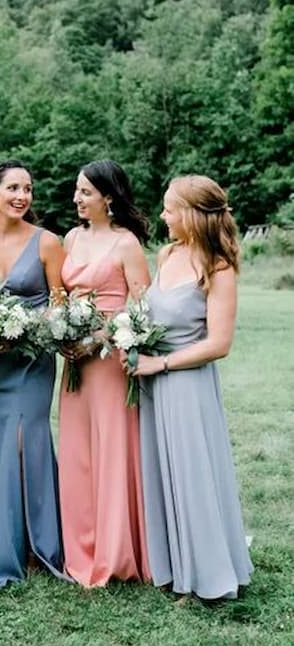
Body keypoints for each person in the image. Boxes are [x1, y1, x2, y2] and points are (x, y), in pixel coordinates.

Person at [126, 175, 253, 599]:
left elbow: (219, 344)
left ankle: (208, 574)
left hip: (186, 384)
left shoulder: (218, 266)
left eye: (169, 209)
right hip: (153, 385)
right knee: (163, 474)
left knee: (193, 475)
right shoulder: (167, 254)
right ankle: (175, 566)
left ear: (192, 215)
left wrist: (159, 363)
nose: (162, 215)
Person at [58, 159, 152, 586]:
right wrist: (61, 331)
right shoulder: (71, 237)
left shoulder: (126, 244)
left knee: (112, 449)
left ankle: (115, 552)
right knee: (78, 454)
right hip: (74, 360)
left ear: (108, 198)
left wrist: (105, 335)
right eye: (77, 191)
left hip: (110, 360)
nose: (77, 198)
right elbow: (61, 296)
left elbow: (142, 306)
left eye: (85, 192)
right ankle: (81, 548)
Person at [0, 160, 66, 585]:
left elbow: (60, 303)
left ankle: (40, 545)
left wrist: (35, 329)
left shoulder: (47, 242)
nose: (21, 196)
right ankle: (2, 543)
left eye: (27, 189)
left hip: (33, 361)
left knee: (27, 440)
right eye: (12, 188)